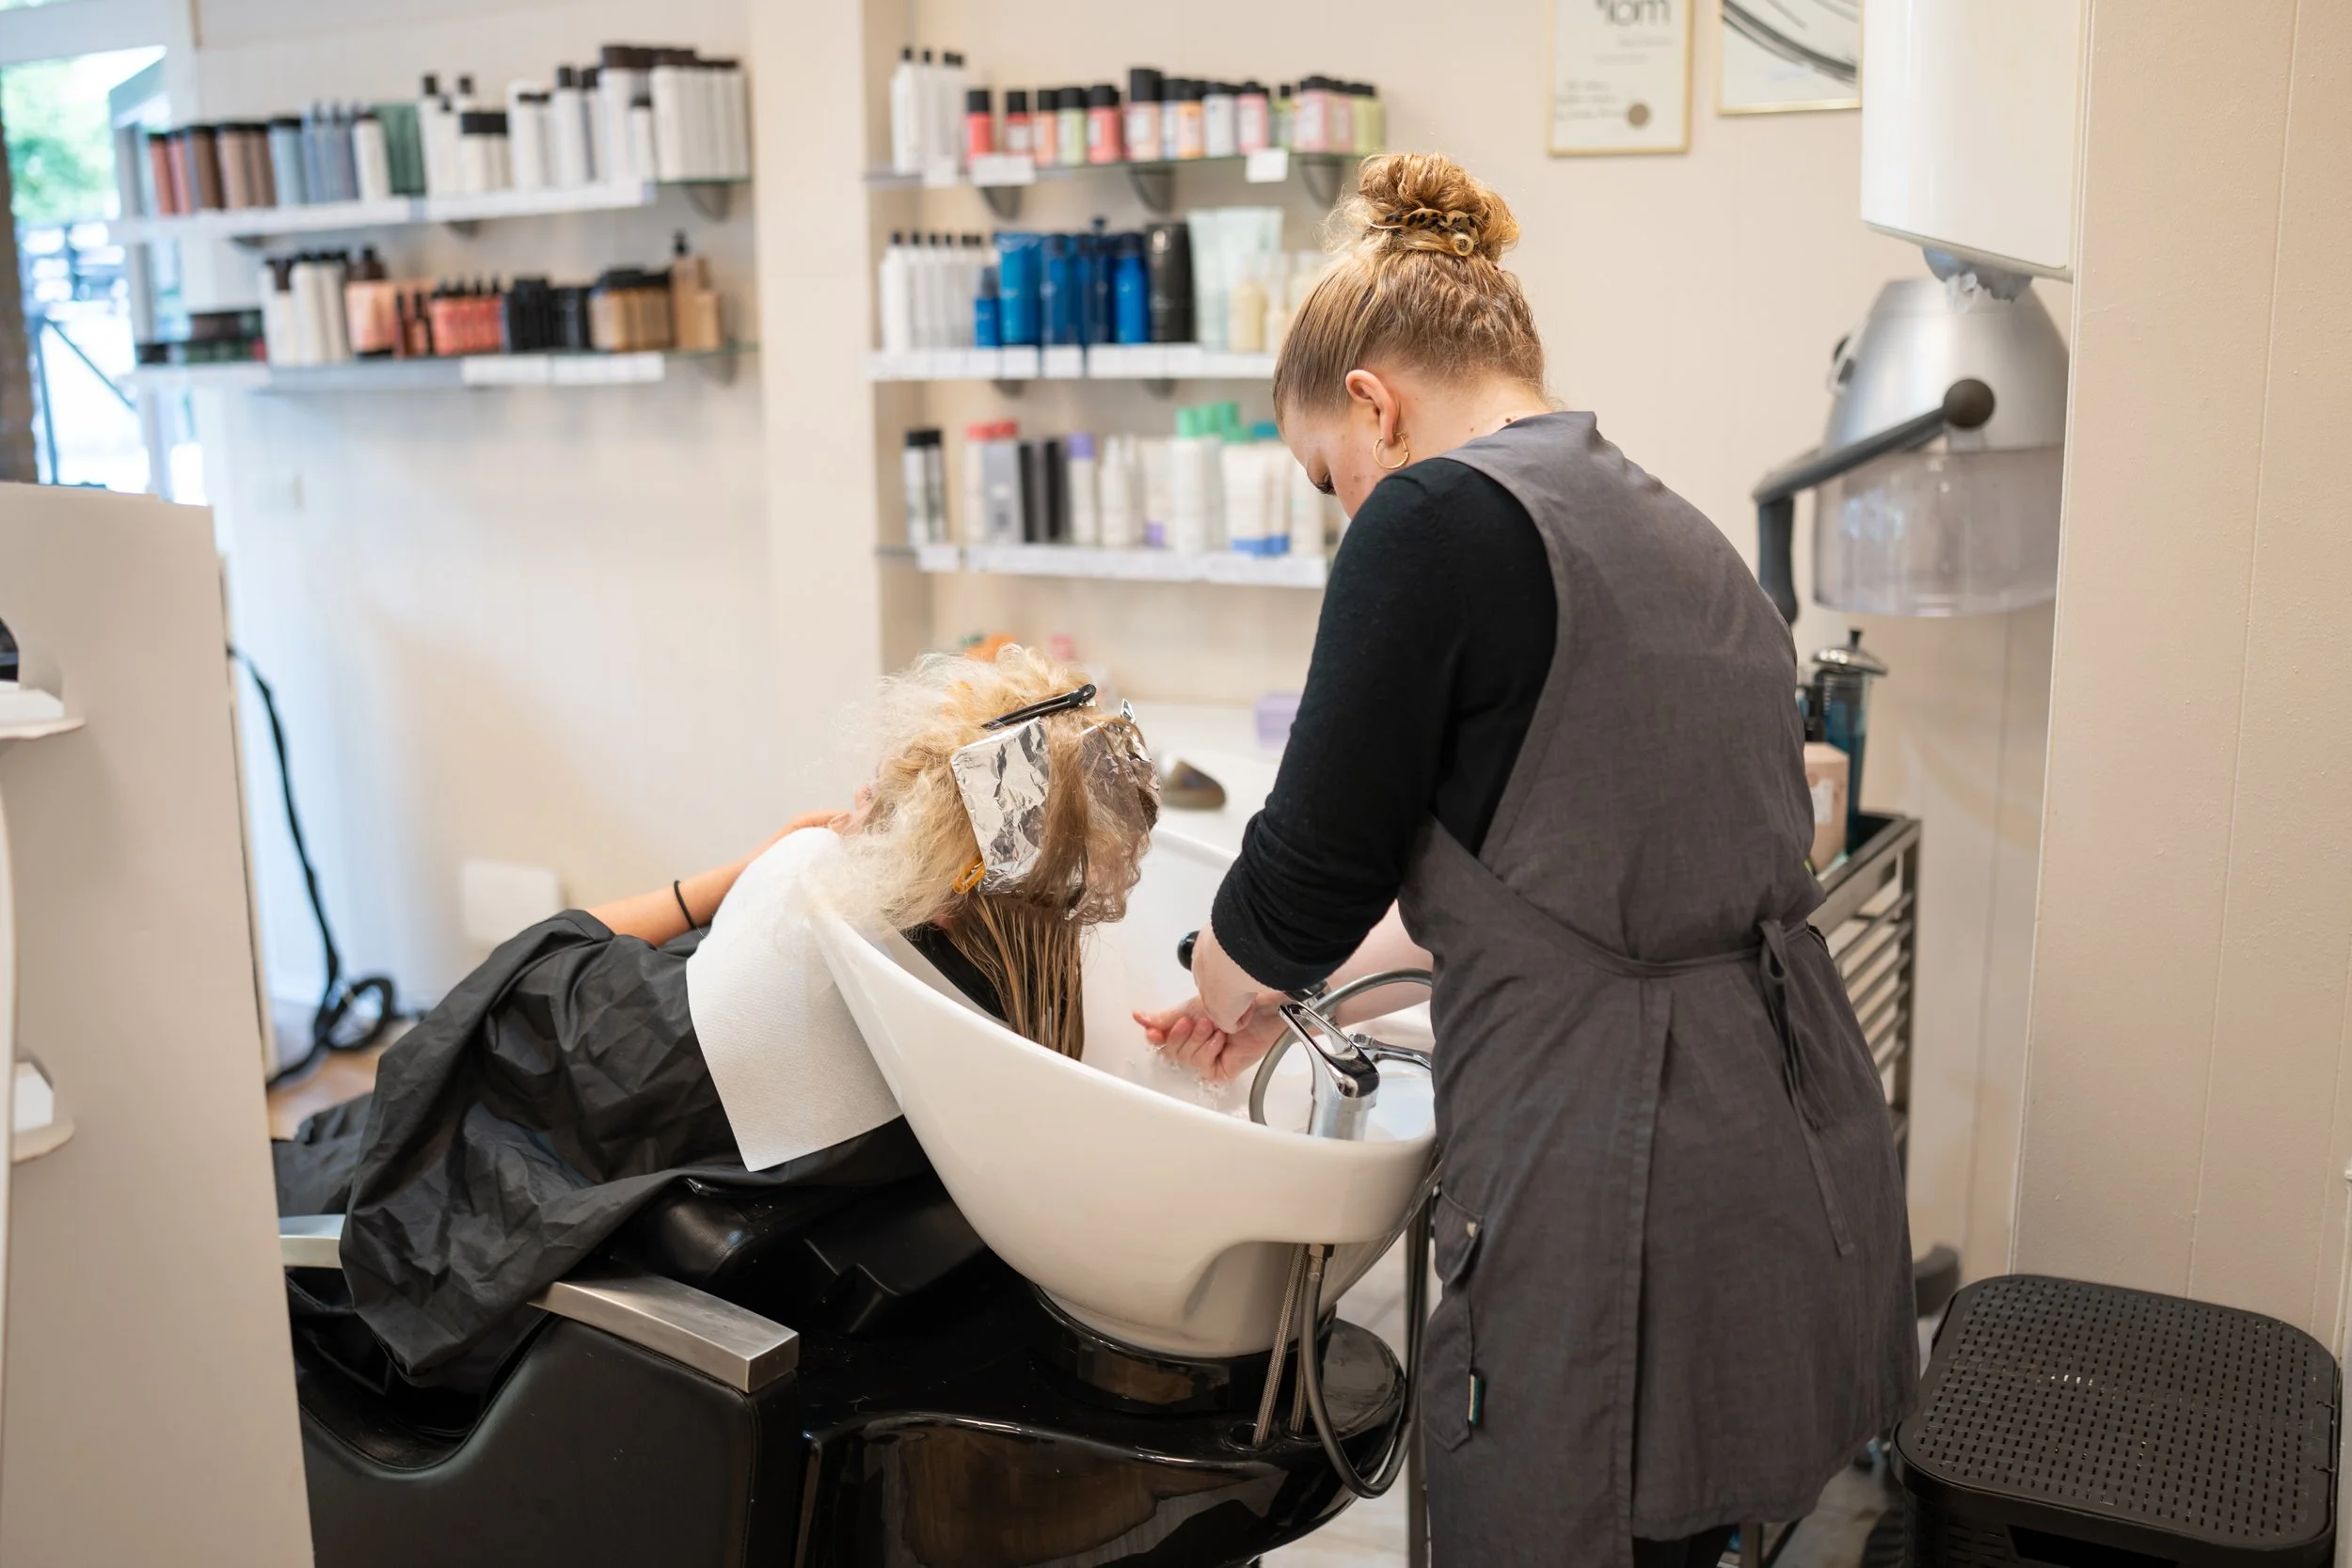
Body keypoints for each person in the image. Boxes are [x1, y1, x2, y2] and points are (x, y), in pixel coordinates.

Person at [1140, 154, 1916, 1568]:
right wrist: (1280, 998)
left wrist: (1220, 964)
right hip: (1774, 1129)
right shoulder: (1674, 531)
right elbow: (1547, 894)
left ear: (1372, 401)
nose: (1342, 510)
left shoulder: (1429, 520)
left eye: (1330, 474)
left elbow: (1300, 880)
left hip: (1609, 1159)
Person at [277, 645, 1157, 1382]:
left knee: (312, 1162)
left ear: (927, 872)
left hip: (441, 1187)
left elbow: (519, 987)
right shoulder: (1043, 1002)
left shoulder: (781, 919)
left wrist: (724, 883)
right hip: (730, 1171)